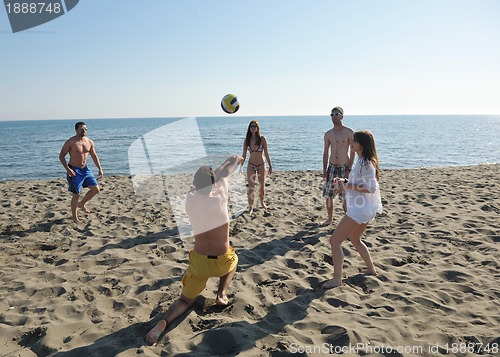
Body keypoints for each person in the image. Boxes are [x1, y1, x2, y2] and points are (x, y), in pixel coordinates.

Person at [146, 155, 243, 346]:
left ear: (194, 183)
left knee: (184, 301)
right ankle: (221, 294)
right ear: (214, 183)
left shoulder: (190, 199)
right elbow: (224, 174)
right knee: (235, 260)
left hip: (199, 262)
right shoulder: (220, 196)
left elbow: (213, 178)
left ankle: (162, 324)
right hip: (222, 261)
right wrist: (235, 159)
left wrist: (215, 172)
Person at [322, 130, 383, 289]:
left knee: (334, 241)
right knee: (355, 239)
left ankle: (337, 279)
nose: (351, 143)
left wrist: (346, 185)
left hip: (360, 210)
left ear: (361, 144)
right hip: (364, 208)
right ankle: (371, 269)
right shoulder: (361, 160)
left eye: (353, 141)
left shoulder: (367, 163)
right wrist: (344, 181)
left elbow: (370, 188)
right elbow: (358, 182)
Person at [59, 122, 103, 223]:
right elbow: (61, 156)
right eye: (81, 129)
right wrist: (68, 169)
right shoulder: (70, 142)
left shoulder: (89, 142)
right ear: (76, 130)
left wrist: (99, 168)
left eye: (85, 129)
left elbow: (94, 155)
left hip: (85, 169)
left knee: (96, 189)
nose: (84, 131)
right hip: (73, 170)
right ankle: (75, 218)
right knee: (76, 194)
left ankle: (81, 204)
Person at [322, 106, 354, 225]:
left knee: (344, 196)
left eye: (336, 114)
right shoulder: (328, 134)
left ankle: (349, 220)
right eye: (332, 114)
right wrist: (324, 170)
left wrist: (348, 170)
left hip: (343, 167)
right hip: (331, 167)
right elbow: (325, 152)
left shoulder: (349, 132)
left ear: (342, 116)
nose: (334, 116)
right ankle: (330, 219)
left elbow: (352, 152)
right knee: (328, 195)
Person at [240, 120, 273, 214]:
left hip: (261, 165)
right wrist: (240, 167)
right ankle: (251, 207)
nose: (253, 127)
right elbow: (244, 155)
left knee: (262, 187)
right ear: (249, 128)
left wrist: (270, 166)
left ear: (258, 128)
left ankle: (262, 202)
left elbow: (266, 153)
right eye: (251, 126)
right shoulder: (247, 140)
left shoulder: (262, 139)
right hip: (251, 165)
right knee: (251, 187)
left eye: (255, 126)